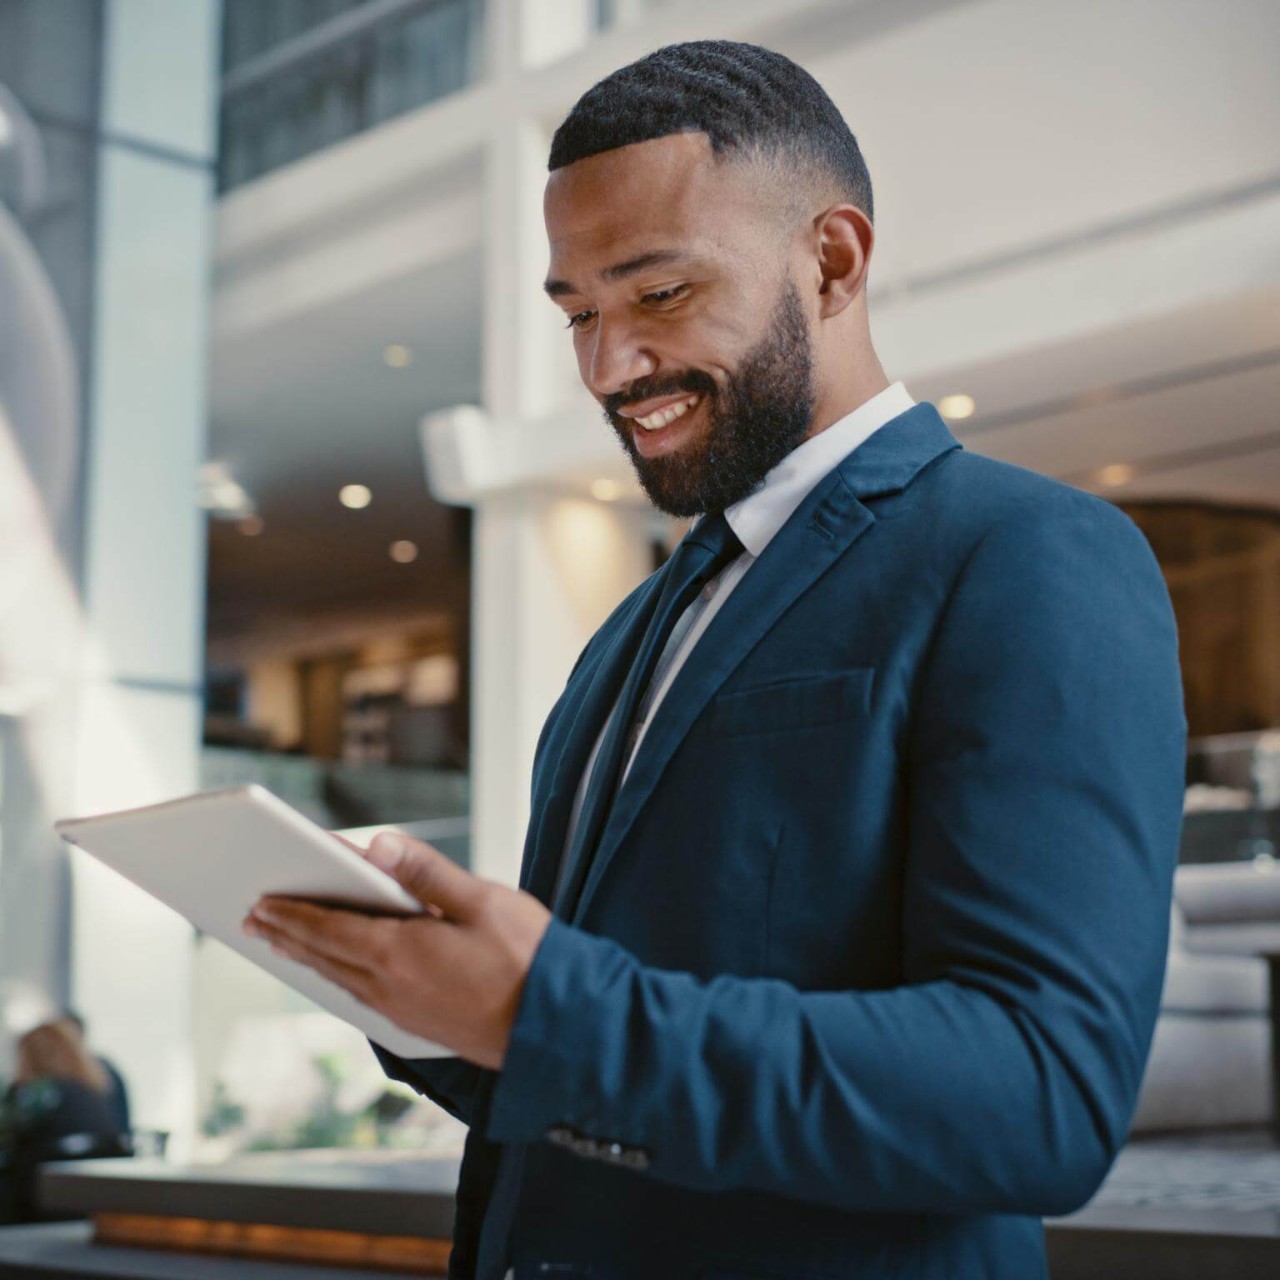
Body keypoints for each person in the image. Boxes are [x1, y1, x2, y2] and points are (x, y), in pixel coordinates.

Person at [245, 40, 1187, 1280]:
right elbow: (594, 1084)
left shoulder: (1028, 556)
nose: (605, 365)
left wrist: (547, 1010)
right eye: (578, 311)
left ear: (833, 260)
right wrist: (418, 997)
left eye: (659, 295)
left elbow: (1038, 1094)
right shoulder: (630, 634)